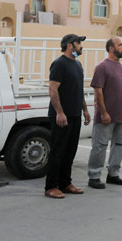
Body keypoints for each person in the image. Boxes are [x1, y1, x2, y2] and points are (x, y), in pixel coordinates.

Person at [87, 36, 122, 189]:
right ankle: (94, 176)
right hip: (106, 116)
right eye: (120, 45)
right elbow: (98, 91)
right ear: (111, 48)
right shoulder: (102, 67)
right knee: (100, 145)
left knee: (120, 144)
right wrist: (103, 113)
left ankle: (113, 174)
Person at [45, 34, 91, 199]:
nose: (81, 46)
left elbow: (78, 90)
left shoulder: (77, 64)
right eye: (79, 43)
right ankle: (51, 186)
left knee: (70, 151)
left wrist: (84, 110)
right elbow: (53, 89)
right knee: (58, 151)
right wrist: (60, 112)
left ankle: (66, 183)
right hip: (61, 116)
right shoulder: (59, 64)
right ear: (70, 45)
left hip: (75, 115)